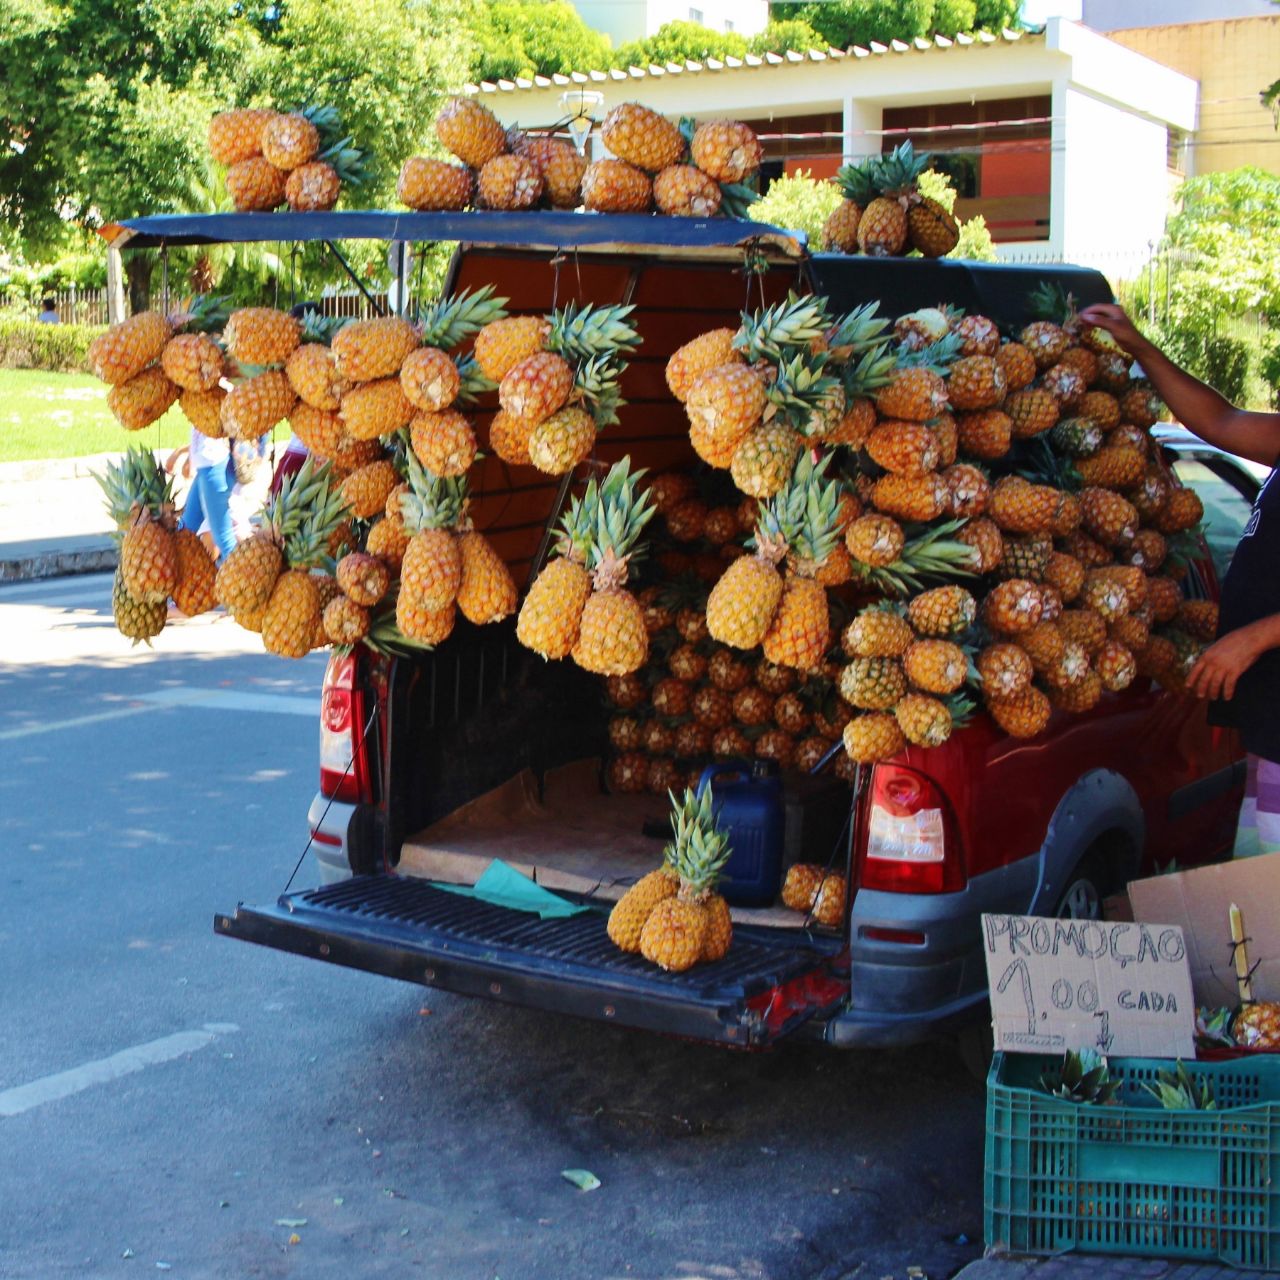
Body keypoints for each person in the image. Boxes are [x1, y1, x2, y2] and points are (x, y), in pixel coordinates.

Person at [1080, 303, 1280, 857]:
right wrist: (1138, 346)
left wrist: (1253, 639)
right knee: (1265, 906)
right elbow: (1220, 422)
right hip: (1271, 728)